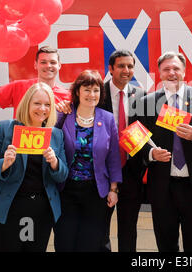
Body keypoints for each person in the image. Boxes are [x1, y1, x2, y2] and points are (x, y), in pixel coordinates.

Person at [0, 82, 68, 252]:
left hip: (41, 213)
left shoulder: (56, 135)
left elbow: (62, 175)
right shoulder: (4, 128)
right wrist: (4, 163)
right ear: (27, 103)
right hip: (7, 211)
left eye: (47, 104)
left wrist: (55, 163)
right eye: (37, 103)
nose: (42, 109)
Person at [136, 51, 192, 252]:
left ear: (184, 71)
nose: (171, 73)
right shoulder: (146, 102)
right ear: (159, 73)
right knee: (165, 243)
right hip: (162, 187)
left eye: (176, 68)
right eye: (166, 69)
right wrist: (151, 154)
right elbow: (137, 139)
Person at [53, 69, 122, 252]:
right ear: (77, 92)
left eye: (96, 90)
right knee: (65, 241)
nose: (92, 95)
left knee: (90, 243)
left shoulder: (107, 119)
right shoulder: (63, 115)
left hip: (95, 192)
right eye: (87, 89)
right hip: (65, 190)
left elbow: (113, 157)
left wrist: (114, 189)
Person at [101, 49, 146, 252]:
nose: (126, 70)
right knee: (100, 229)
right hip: (102, 172)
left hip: (131, 171)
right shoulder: (97, 93)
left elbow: (146, 131)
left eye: (130, 66)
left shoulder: (142, 95)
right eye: (121, 66)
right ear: (110, 69)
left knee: (128, 229)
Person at [0, 46, 70, 116]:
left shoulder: (68, 97)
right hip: (21, 149)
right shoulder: (18, 87)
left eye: (52, 62)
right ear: (35, 65)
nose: (48, 66)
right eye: (43, 62)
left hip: (53, 150)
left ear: (59, 65)